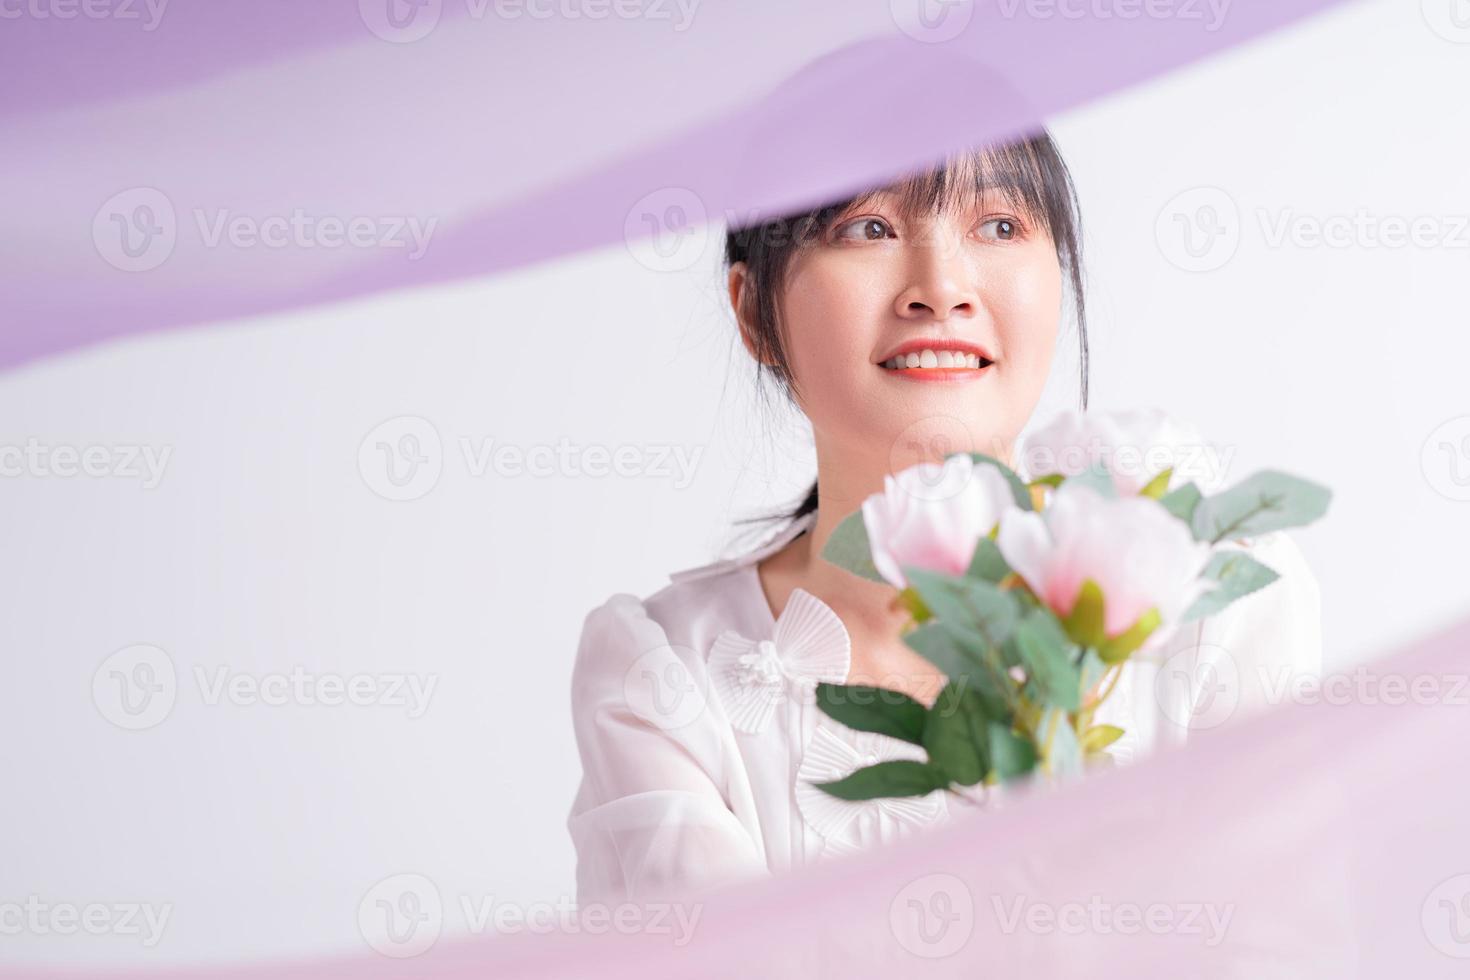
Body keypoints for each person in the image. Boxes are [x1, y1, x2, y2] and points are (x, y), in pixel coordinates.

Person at [566, 132, 1322, 907]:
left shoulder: (1208, 596)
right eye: (867, 227)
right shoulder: (665, 675)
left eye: (999, 225)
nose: (942, 289)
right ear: (754, 312)